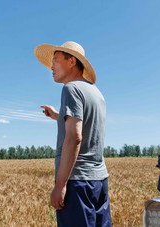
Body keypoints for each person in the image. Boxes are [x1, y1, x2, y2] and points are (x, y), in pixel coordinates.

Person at [35, 41, 112, 226]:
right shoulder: (95, 92)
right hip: (99, 180)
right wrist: (58, 115)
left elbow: (74, 137)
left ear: (72, 61)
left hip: (78, 182)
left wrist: (60, 185)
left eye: (55, 61)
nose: (51, 67)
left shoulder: (71, 89)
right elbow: (86, 126)